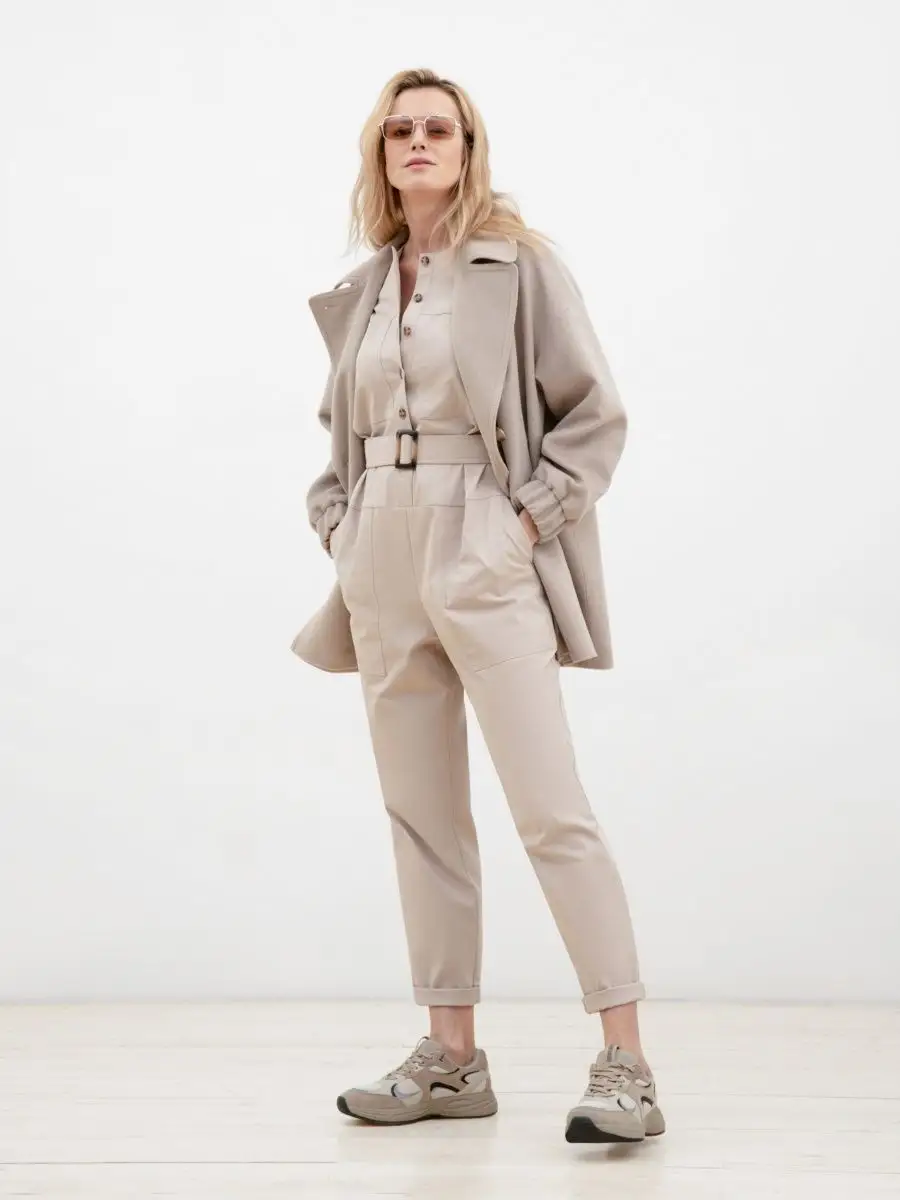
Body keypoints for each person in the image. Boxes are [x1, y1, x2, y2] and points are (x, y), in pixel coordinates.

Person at [291, 67, 666, 1145]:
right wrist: (340, 521)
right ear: (380, 152)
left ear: (467, 149)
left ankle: (628, 1063)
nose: (419, 141)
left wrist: (527, 520)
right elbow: (341, 430)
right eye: (400, 129)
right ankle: (452, 1059)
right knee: (421, 817)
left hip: (484, 537)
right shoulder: (366, 287)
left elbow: (593, 415)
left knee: (551, 808)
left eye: (439, 129)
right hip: (381, 552)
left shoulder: (518, 265)